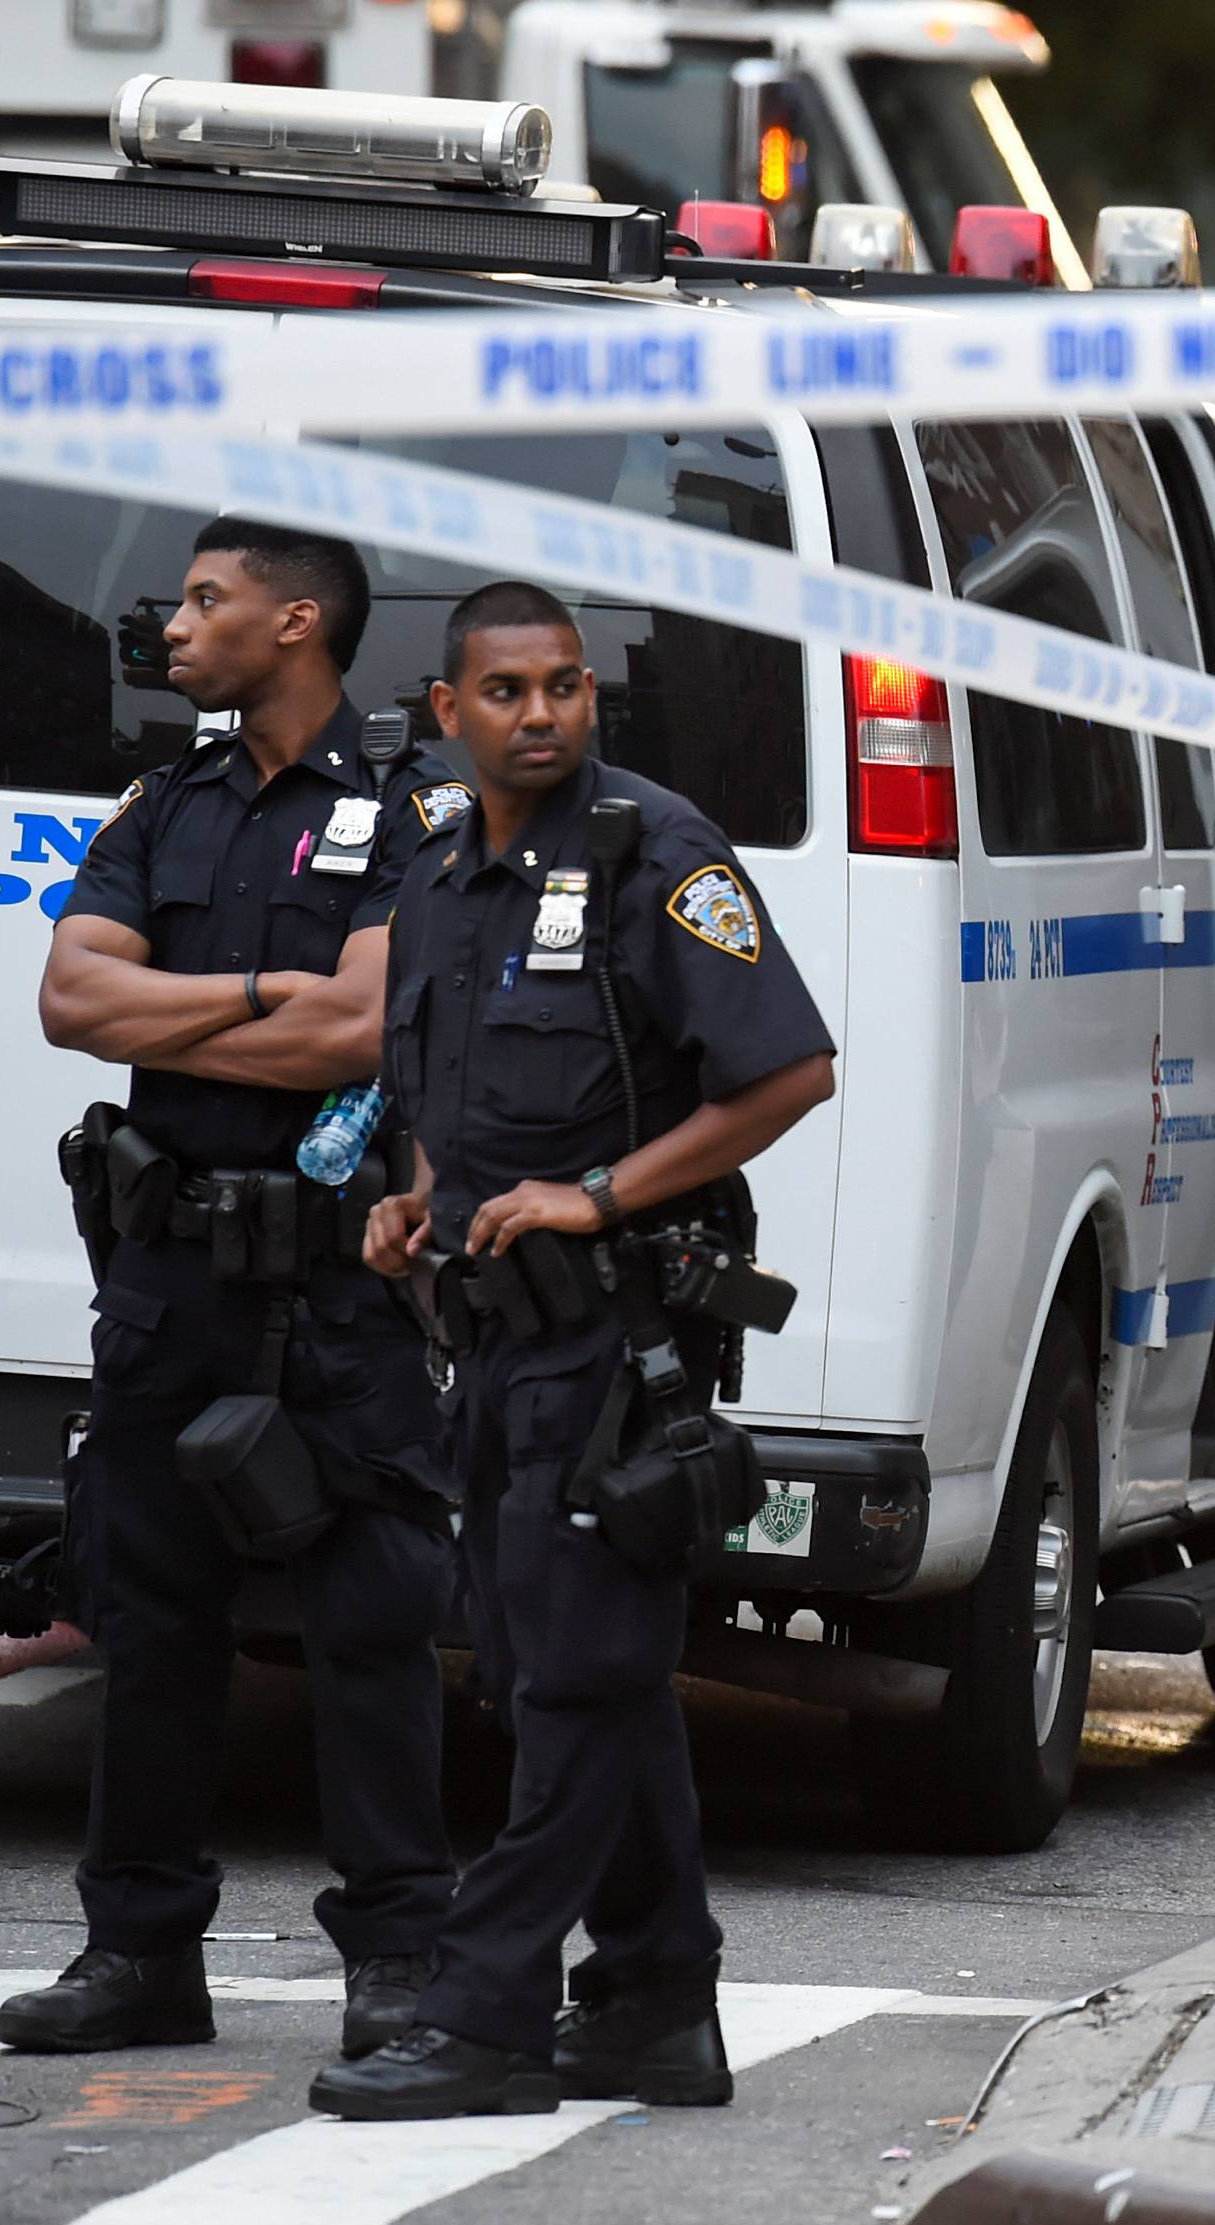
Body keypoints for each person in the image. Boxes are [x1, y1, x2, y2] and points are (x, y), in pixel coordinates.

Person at [312, 580, 836, 2122]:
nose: (541, 714)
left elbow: (790, 1069)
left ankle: (485, 2016)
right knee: (571, 1669)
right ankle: (657, 1999)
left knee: (577, 1686)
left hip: (619, 1346)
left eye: (566, 688)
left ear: (591, 697)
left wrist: (594, 1192)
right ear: (450, 711)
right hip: (492, 1349)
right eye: (509, 692)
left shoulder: (656, 853)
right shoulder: (438, 873)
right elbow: (439, 1104)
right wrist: (408, 1206)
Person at [0, 519, 471, 2059]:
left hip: (338, 1291)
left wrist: (204, 1012)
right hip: (166, 1276)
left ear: (298, 620)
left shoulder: (414, 809)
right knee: (147, 1621)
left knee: (373, 1625)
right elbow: (73, 997)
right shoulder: (169, 799)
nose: (178, 620)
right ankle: (138, 1954)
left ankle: (399, 1960)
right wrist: (273, 993)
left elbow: (364, 1033)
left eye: (211, 598)